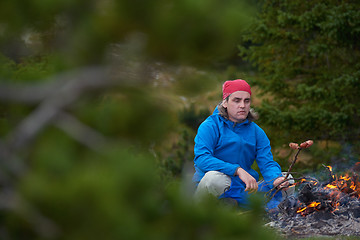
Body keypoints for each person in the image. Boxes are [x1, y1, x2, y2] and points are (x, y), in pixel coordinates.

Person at [192, 79, 292, 209]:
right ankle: (203, 216)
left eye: (247, 101)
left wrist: (275, 179)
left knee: (287, 179)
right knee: (214, 178)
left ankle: (241, 208)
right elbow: (202, 158)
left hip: (244, 190)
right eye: (236, 100)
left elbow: (267, 162)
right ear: (225, 102)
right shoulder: (210, 126)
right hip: (214, 189)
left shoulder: (257, 132)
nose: (242, 105)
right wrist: (237, 170)